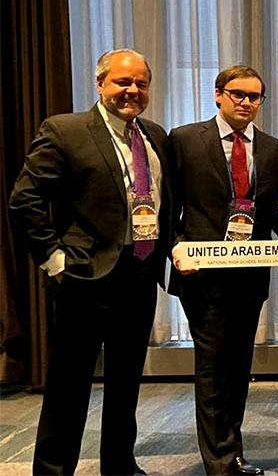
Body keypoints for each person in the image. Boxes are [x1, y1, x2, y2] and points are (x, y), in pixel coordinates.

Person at [9, 49, 168, 476]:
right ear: (100, 84)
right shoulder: (66, 130)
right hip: (84, 277)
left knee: (125, 384)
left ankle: (119, 466)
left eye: (141, 84)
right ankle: (53, 471)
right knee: (69, 387)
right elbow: (25, 200)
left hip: (139, 275)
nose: (132, 90)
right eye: (122, 82)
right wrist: (55, 260)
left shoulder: (154, 135)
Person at [166, 65, 278, 475]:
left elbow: (277, 215)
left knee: (237, 368)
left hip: (250, 278)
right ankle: (219, 462)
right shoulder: (185, 140)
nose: (246, 102)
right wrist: (175, 248)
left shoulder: (273, 149)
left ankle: (231, 452)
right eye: (238, 94)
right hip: (201, 276)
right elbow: (168, 207)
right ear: (218, 94)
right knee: (213, 367)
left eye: (254, 97)